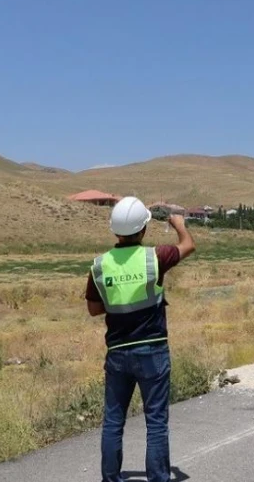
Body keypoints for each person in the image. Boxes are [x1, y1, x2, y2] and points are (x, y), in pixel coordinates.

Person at [85, 197, 195, 482]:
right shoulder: (155, 257)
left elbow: (94, 309)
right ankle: (159, 477)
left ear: (115, 231)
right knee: (156, 421)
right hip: (152, 350)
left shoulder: (99, 266)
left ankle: (110, 478)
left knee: (113, 421)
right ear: (144, 229)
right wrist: (179, 224)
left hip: (118, 352)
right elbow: (188, 246)